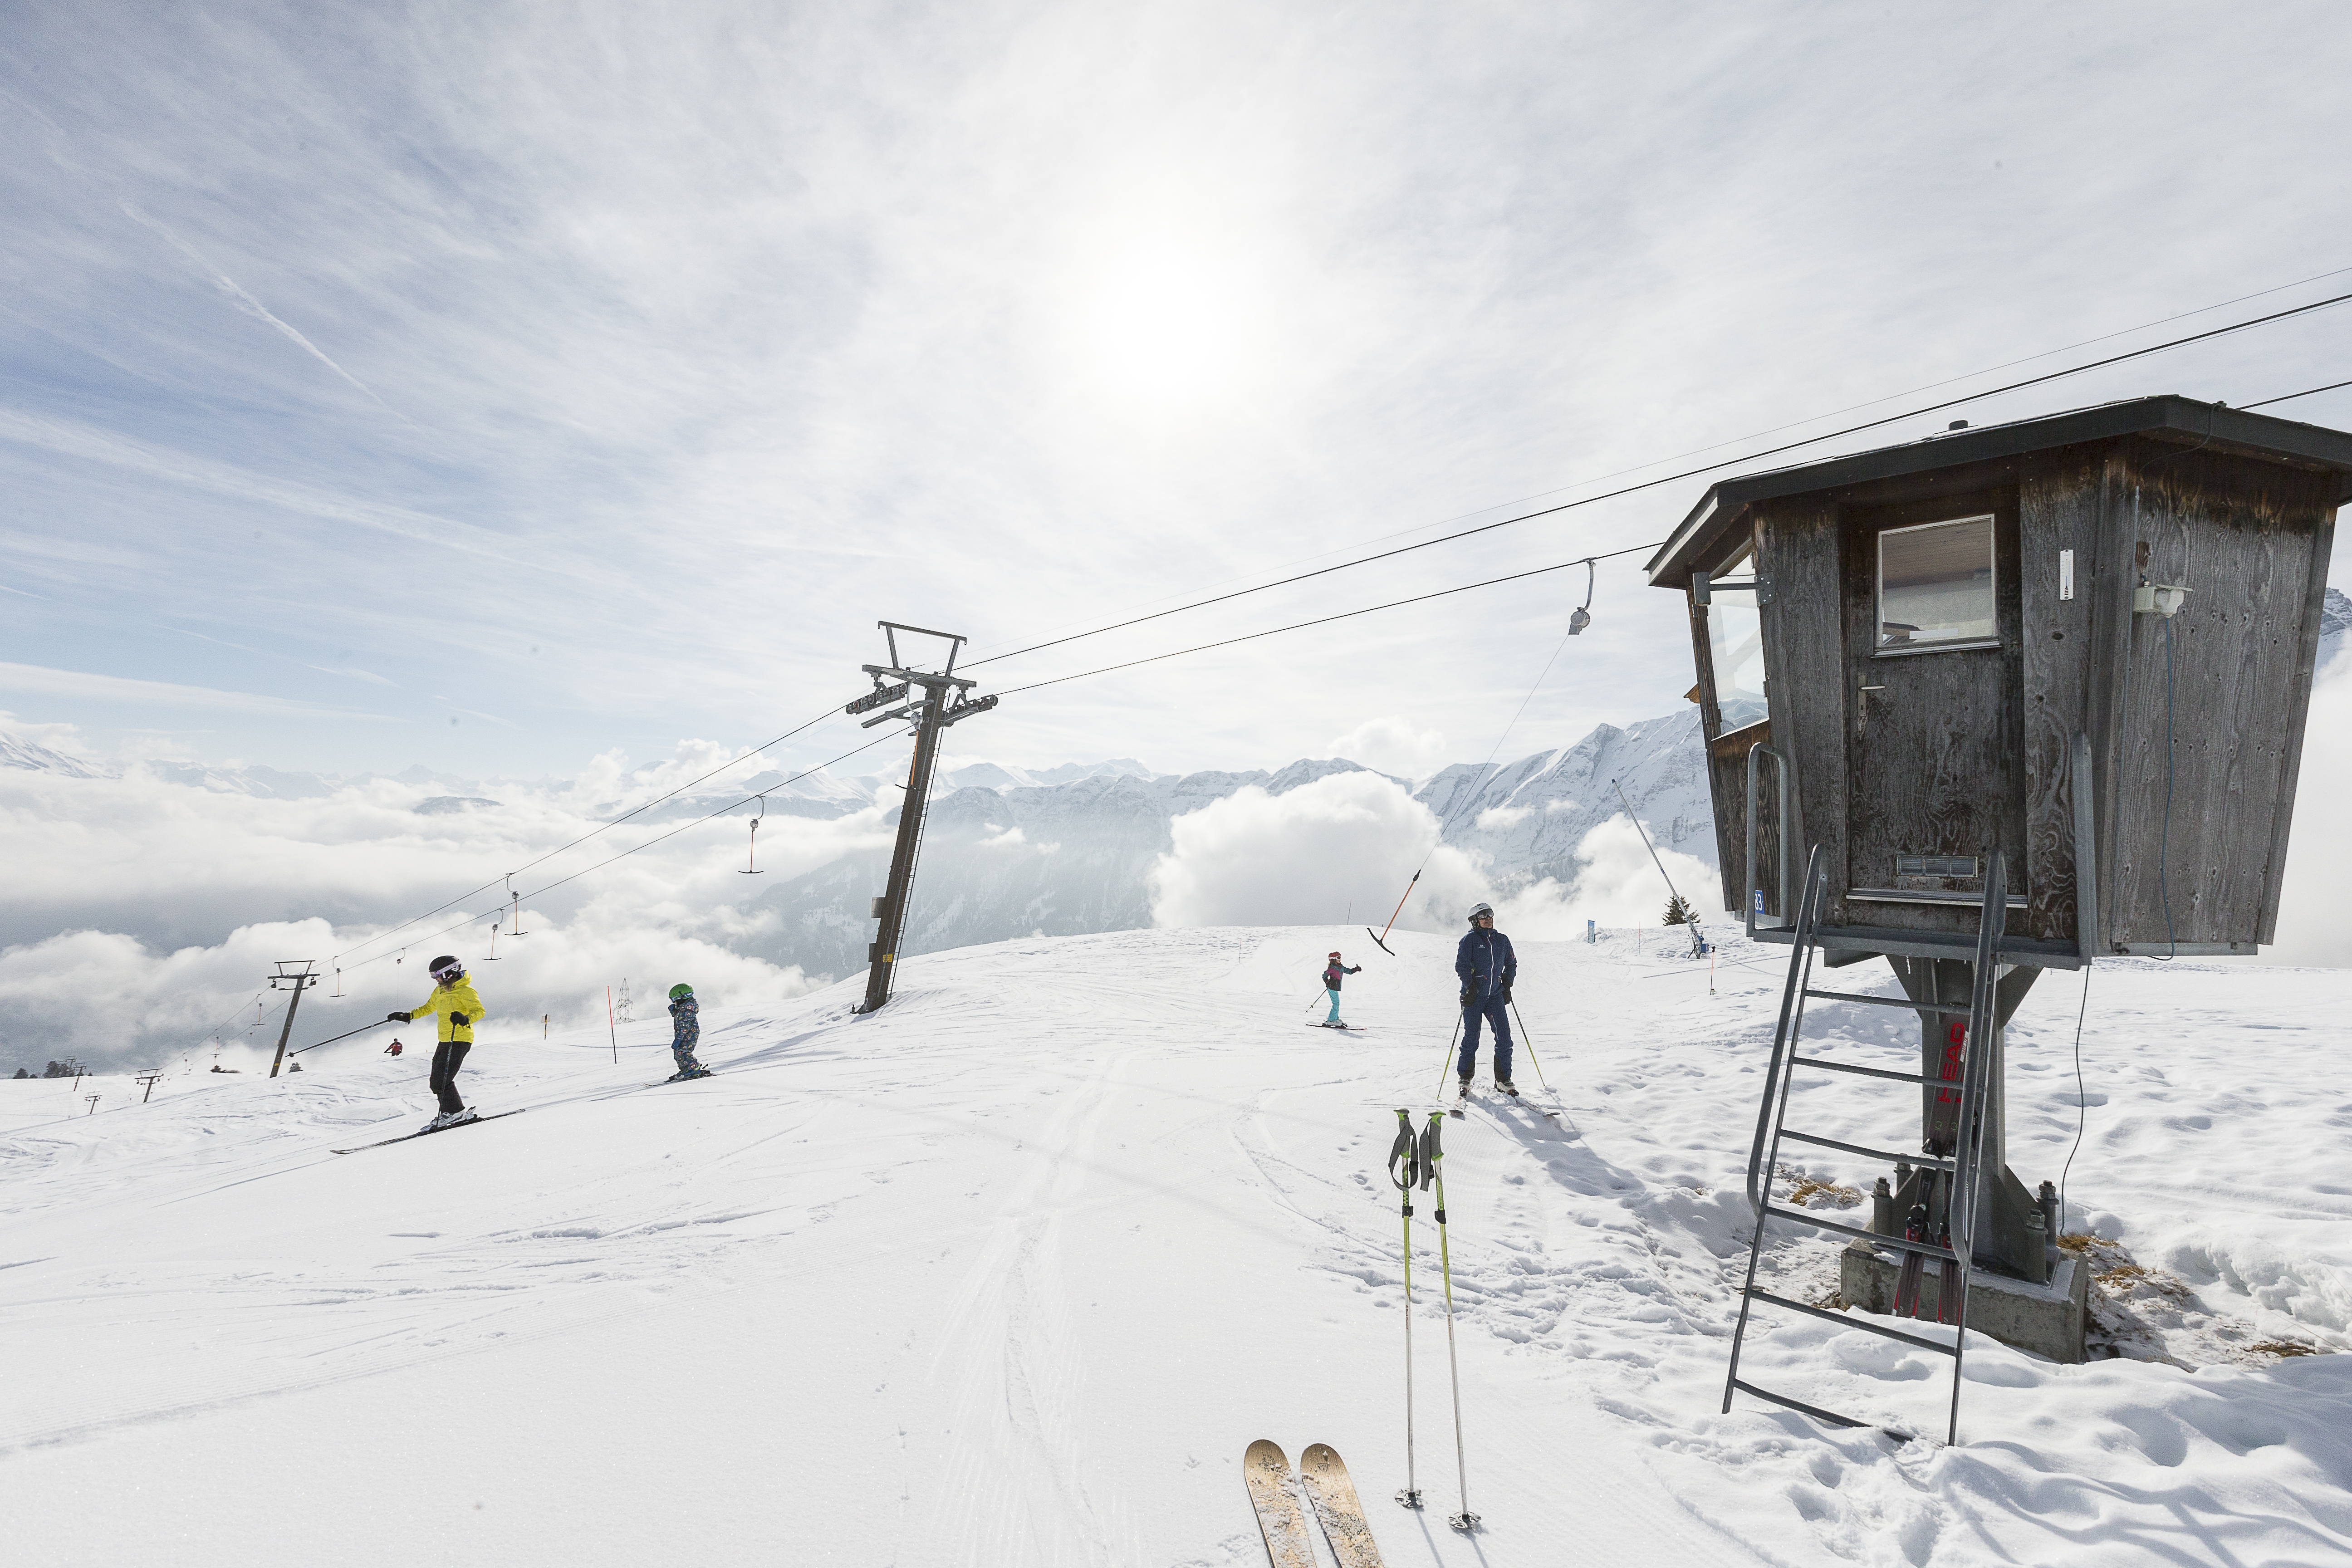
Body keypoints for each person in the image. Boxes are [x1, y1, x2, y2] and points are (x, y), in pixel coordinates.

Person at [387, 956, 486, 1131]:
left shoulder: (466, 992)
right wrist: (408, 1016)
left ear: (450, 972)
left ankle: (455, 1113)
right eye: (433, 975)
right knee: (436, 1081)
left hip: (460, 1039)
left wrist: (465, 1019)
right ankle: (453, 1112)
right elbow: (428, 1008)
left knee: (442, 1080)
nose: (435, 979)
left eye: (437, 975)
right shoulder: (440, 991)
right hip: (444, 1040)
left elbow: (479, 1011)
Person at [1454, 902, 1517, 1097]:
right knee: (1472, 1038)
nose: (1488, 918)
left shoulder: (1502, 940)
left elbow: (1511, 963)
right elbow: (1461, 966)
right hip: (1474, 997)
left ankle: (1503, 1080)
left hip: (1495, 996)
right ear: (1475, 921)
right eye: (1483, 916)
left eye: (1490, 914)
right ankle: (1465, 1078)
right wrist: (1470, 986)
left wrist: (1507, 985)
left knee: (1505, 1038)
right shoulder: (1469, 941)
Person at [666, 983, 709, 1081]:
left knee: (683, 1052)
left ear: (682, 998)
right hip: (686, 1034)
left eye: (675, 1001)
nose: (675, 1003)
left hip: (689, 1034)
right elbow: (680, 1017)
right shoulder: (684, 1009)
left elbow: (684, 1026)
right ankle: (686, 1069)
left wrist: (679, 1039)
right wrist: (674, 1011)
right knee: (678, 1053)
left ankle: (693, 1068)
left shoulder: (687, 1011)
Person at [1320, 951, 1361, 1027]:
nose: (1340, 959)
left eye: (1340, 957)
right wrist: (1328, 982)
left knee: (1337, 1004)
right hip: (1332, 987)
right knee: (1336, 1004)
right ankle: (1331, 1020)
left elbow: (1349, 971)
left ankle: (1335, 1019)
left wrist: (1356, 969)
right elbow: (1324, 976)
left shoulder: (1341, 968)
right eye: (1338, 958)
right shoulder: (1332, 969)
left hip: (1336, 987)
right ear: (1333, 960)